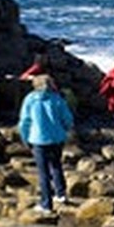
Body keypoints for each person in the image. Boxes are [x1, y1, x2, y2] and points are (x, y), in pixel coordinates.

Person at [17, 74, 74, 214]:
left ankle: (46, 204)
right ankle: (61, 194)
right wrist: (65, 129)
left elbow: (24, 122)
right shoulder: (57, 99)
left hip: (37, 140)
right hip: (57, 138)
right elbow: (67, 118)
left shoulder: (30, 99)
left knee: (43, 172)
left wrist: (25, 139)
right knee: (56, 165)